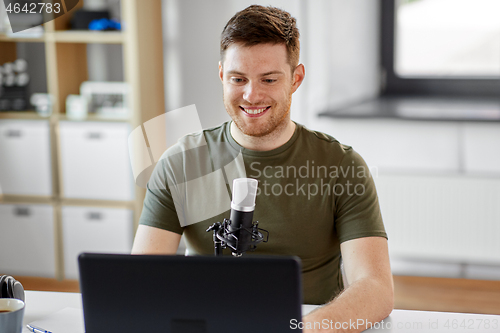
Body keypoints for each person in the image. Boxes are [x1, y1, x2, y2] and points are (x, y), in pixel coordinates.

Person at [132, 5, 393, 332]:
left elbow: (376, 287)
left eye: (269, 79)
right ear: (221, 75)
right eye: (237, 79)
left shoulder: (342, 166)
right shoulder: (181, 162)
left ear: (296, 79)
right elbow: (141, 281)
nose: (251, 95)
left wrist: (303, 329)